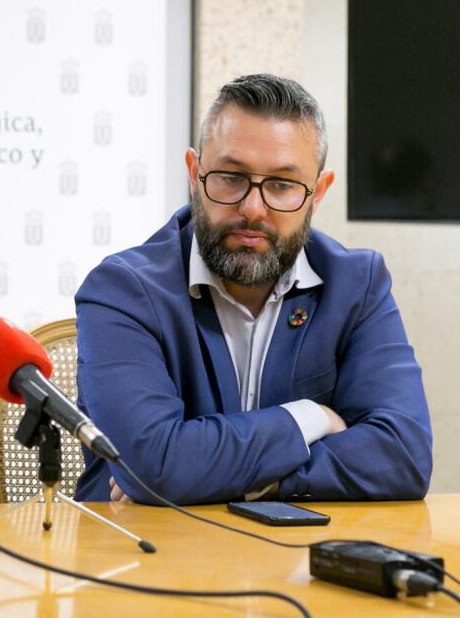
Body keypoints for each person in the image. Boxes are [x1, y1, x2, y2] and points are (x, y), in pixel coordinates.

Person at [74, 74, 432, 505]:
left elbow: (403, 456)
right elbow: (152, 465)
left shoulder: (357, 285)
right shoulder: (122, 290)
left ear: (317, 193)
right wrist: (310, 418)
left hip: (294, 562)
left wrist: (253, 481)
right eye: (230, 177)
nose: (253, 208)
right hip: (142, 556)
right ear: (194, 173)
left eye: (282, 185)